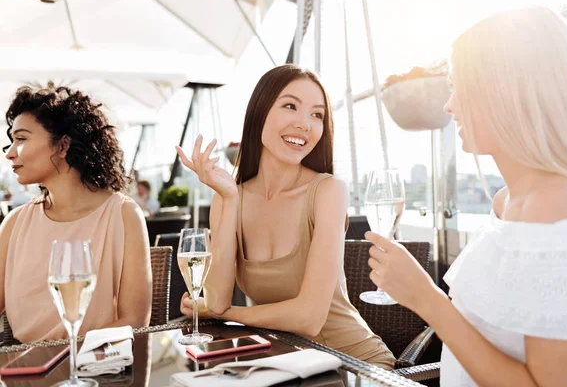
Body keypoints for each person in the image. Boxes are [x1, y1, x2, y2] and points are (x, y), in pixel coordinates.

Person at [366, 6, 567, 386]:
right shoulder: (505, 202)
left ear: (510, 90)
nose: (449, 104)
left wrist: (425, 298)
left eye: (459, 86)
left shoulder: (565, 210)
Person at [176, 64, 395, 369]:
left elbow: (308, 319)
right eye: (290, 106)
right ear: (260, 112)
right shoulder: (227, 197)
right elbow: (218, 299)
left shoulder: (328, 191)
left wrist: (227, 315)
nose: (305, 124)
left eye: (317, 115)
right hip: (289, 365)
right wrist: (228, 198)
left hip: (357, 365)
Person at [0, 86, 152, 343]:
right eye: (11, 141)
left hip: (96, 372)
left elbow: (135, 320)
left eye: (22, 139)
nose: (9, 152)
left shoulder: (123, 215)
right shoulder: (15, 224)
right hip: (24, 375)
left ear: (63, 145)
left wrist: (69, 362)